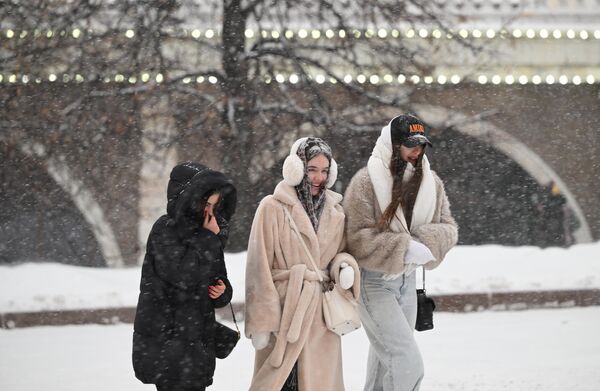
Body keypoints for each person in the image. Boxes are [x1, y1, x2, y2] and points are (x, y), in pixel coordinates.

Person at [343, 114, 458, 391]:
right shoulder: (365, 182)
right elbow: (356, 238)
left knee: (386, 362)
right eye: (410, 145)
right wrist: (403, 247)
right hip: (374, 283)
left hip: (408, 283)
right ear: (392, 145)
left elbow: (448, 228)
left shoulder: (432, 183)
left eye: (421, 145)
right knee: (406, 361)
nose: (416, 151)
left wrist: (422, 242)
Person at [245, 137, 360, 391]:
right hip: (287, 310)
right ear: (295, 168)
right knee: (282, 382)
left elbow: (341, 253)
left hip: (320, 313)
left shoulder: (336, 211)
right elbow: (258, 267)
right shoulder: (272, 207)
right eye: (311, 169)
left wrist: (344, 267)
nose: (319, 178)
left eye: (324, 171)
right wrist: (262, 322)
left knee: (320, 381)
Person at [132, 162, 237, 391]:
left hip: (198, 348)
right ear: (190, 200)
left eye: (214, 206)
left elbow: (219, 282)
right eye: (206, 204)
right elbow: (183, 277)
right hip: (169, 346)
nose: (210, 212)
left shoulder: (208, 235)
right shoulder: (165, 229)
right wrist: (211, 240)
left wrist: (222, 291)